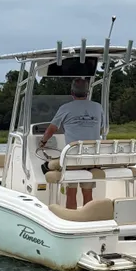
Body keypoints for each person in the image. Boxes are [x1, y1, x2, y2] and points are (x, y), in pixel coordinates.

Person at [39, 77, 104, 210]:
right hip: (92, 159)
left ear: (72, 93)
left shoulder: (65, 108)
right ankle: (88, 218)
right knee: (87, 193)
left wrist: (43, 142)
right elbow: (102, 128)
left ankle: (71, 220)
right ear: (87, 93)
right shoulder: (98, 107)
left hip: (73, 159)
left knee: (71, 193)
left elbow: (51, 129)